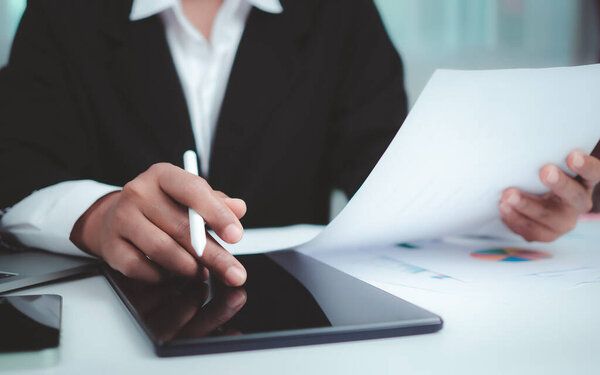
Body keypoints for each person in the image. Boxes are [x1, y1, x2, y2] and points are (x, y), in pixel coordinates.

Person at [1, 0, 599, 287]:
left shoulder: (341, 14)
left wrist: (508, 210)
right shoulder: (64, 14)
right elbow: (16, 167)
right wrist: (97, 215)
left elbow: (394, 177)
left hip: (299, 332)